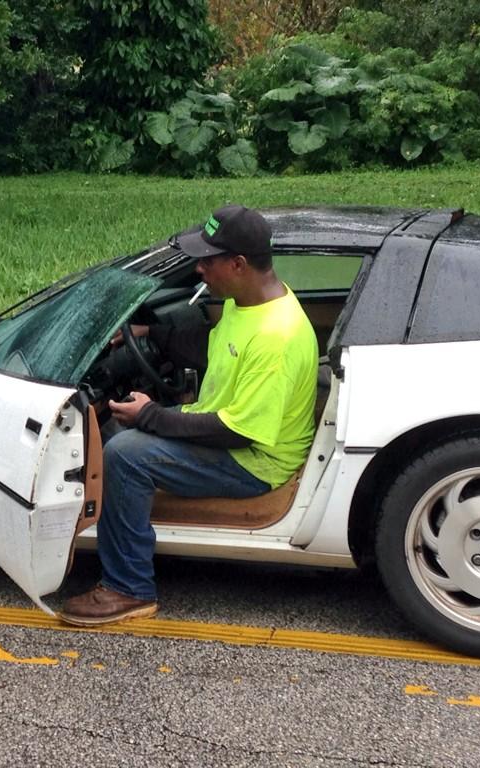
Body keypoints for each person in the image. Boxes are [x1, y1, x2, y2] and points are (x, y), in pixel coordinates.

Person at [58, 204, 319, 626]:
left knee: (125, 454)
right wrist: (150, 334)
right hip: (221, 420)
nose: (198, 269)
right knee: (123, 433)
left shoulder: (278, 337)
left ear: (237, 264)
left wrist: (151, 417)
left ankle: (128, 588)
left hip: (254, 461)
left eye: (207, 261)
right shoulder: (247, 300)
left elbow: (236, 433)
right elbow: (216, 344)